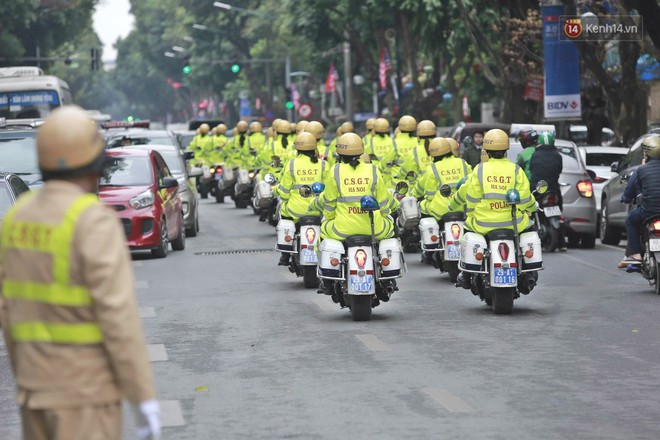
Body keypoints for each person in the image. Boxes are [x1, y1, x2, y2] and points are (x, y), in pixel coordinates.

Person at [0, 106, 160, 440]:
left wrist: (27, 377)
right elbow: (118, 319)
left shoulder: (17, 219)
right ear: (94, 163)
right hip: (85, 396)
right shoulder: (91, 220)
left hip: (34, 393)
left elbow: (7, 312)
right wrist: (143, 399)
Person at [449, 129, 536, 289]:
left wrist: (467, 208)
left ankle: (466, 273)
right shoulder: (516, 170)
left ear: (486, 151)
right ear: (506, 150)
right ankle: (528, 271)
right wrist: (533, 206)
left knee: (466, 230)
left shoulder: (480, 170)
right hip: (513, 223)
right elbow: (525, 199)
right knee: (530, 227)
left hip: (483, 224)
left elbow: (472, 198)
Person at [276, 132, 328, 266]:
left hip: (295, 211)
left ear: (297, 149)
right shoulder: (323, 165)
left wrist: (282, 196)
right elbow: (329, 191)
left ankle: (285, 254)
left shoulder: (292, 164)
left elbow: (284, 192)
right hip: (318, 210)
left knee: (283, 211)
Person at [621, 134, 660, 264]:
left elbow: (628, 194)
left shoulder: (640, 170)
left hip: (648, 211)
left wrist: (625, 198)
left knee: (630, 221)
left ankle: (636, 256)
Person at [529, 131, 566, 251]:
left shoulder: (535, 155)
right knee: (559, 210)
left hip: (537, 188)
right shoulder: (557, 155)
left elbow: (531, 169)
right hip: (553, 189)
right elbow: (559, 170)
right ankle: (562, 242)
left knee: (530, 209)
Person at [379, 115, 418, 187]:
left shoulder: (395, 143)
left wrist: (379, 169)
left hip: (397, 184)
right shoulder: (417, 142)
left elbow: (386, 161)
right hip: (415, 183)